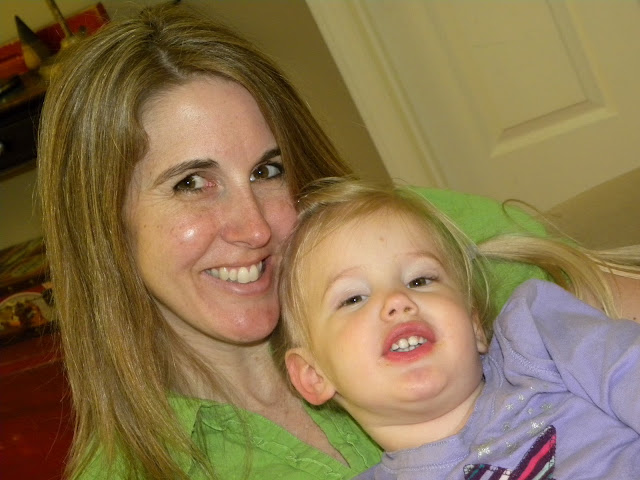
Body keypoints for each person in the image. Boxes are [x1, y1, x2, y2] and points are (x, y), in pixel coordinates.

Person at [36, 3, 638, 480]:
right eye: (192, 183)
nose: (254, 227)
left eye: (267, 170)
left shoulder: (398, 243)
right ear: (105, 226)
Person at [277, 177, 640, 479]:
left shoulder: (533, 337)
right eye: (353, 298)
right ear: (313, 375)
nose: (397, 301)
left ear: (474, 324)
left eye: (420, 280)